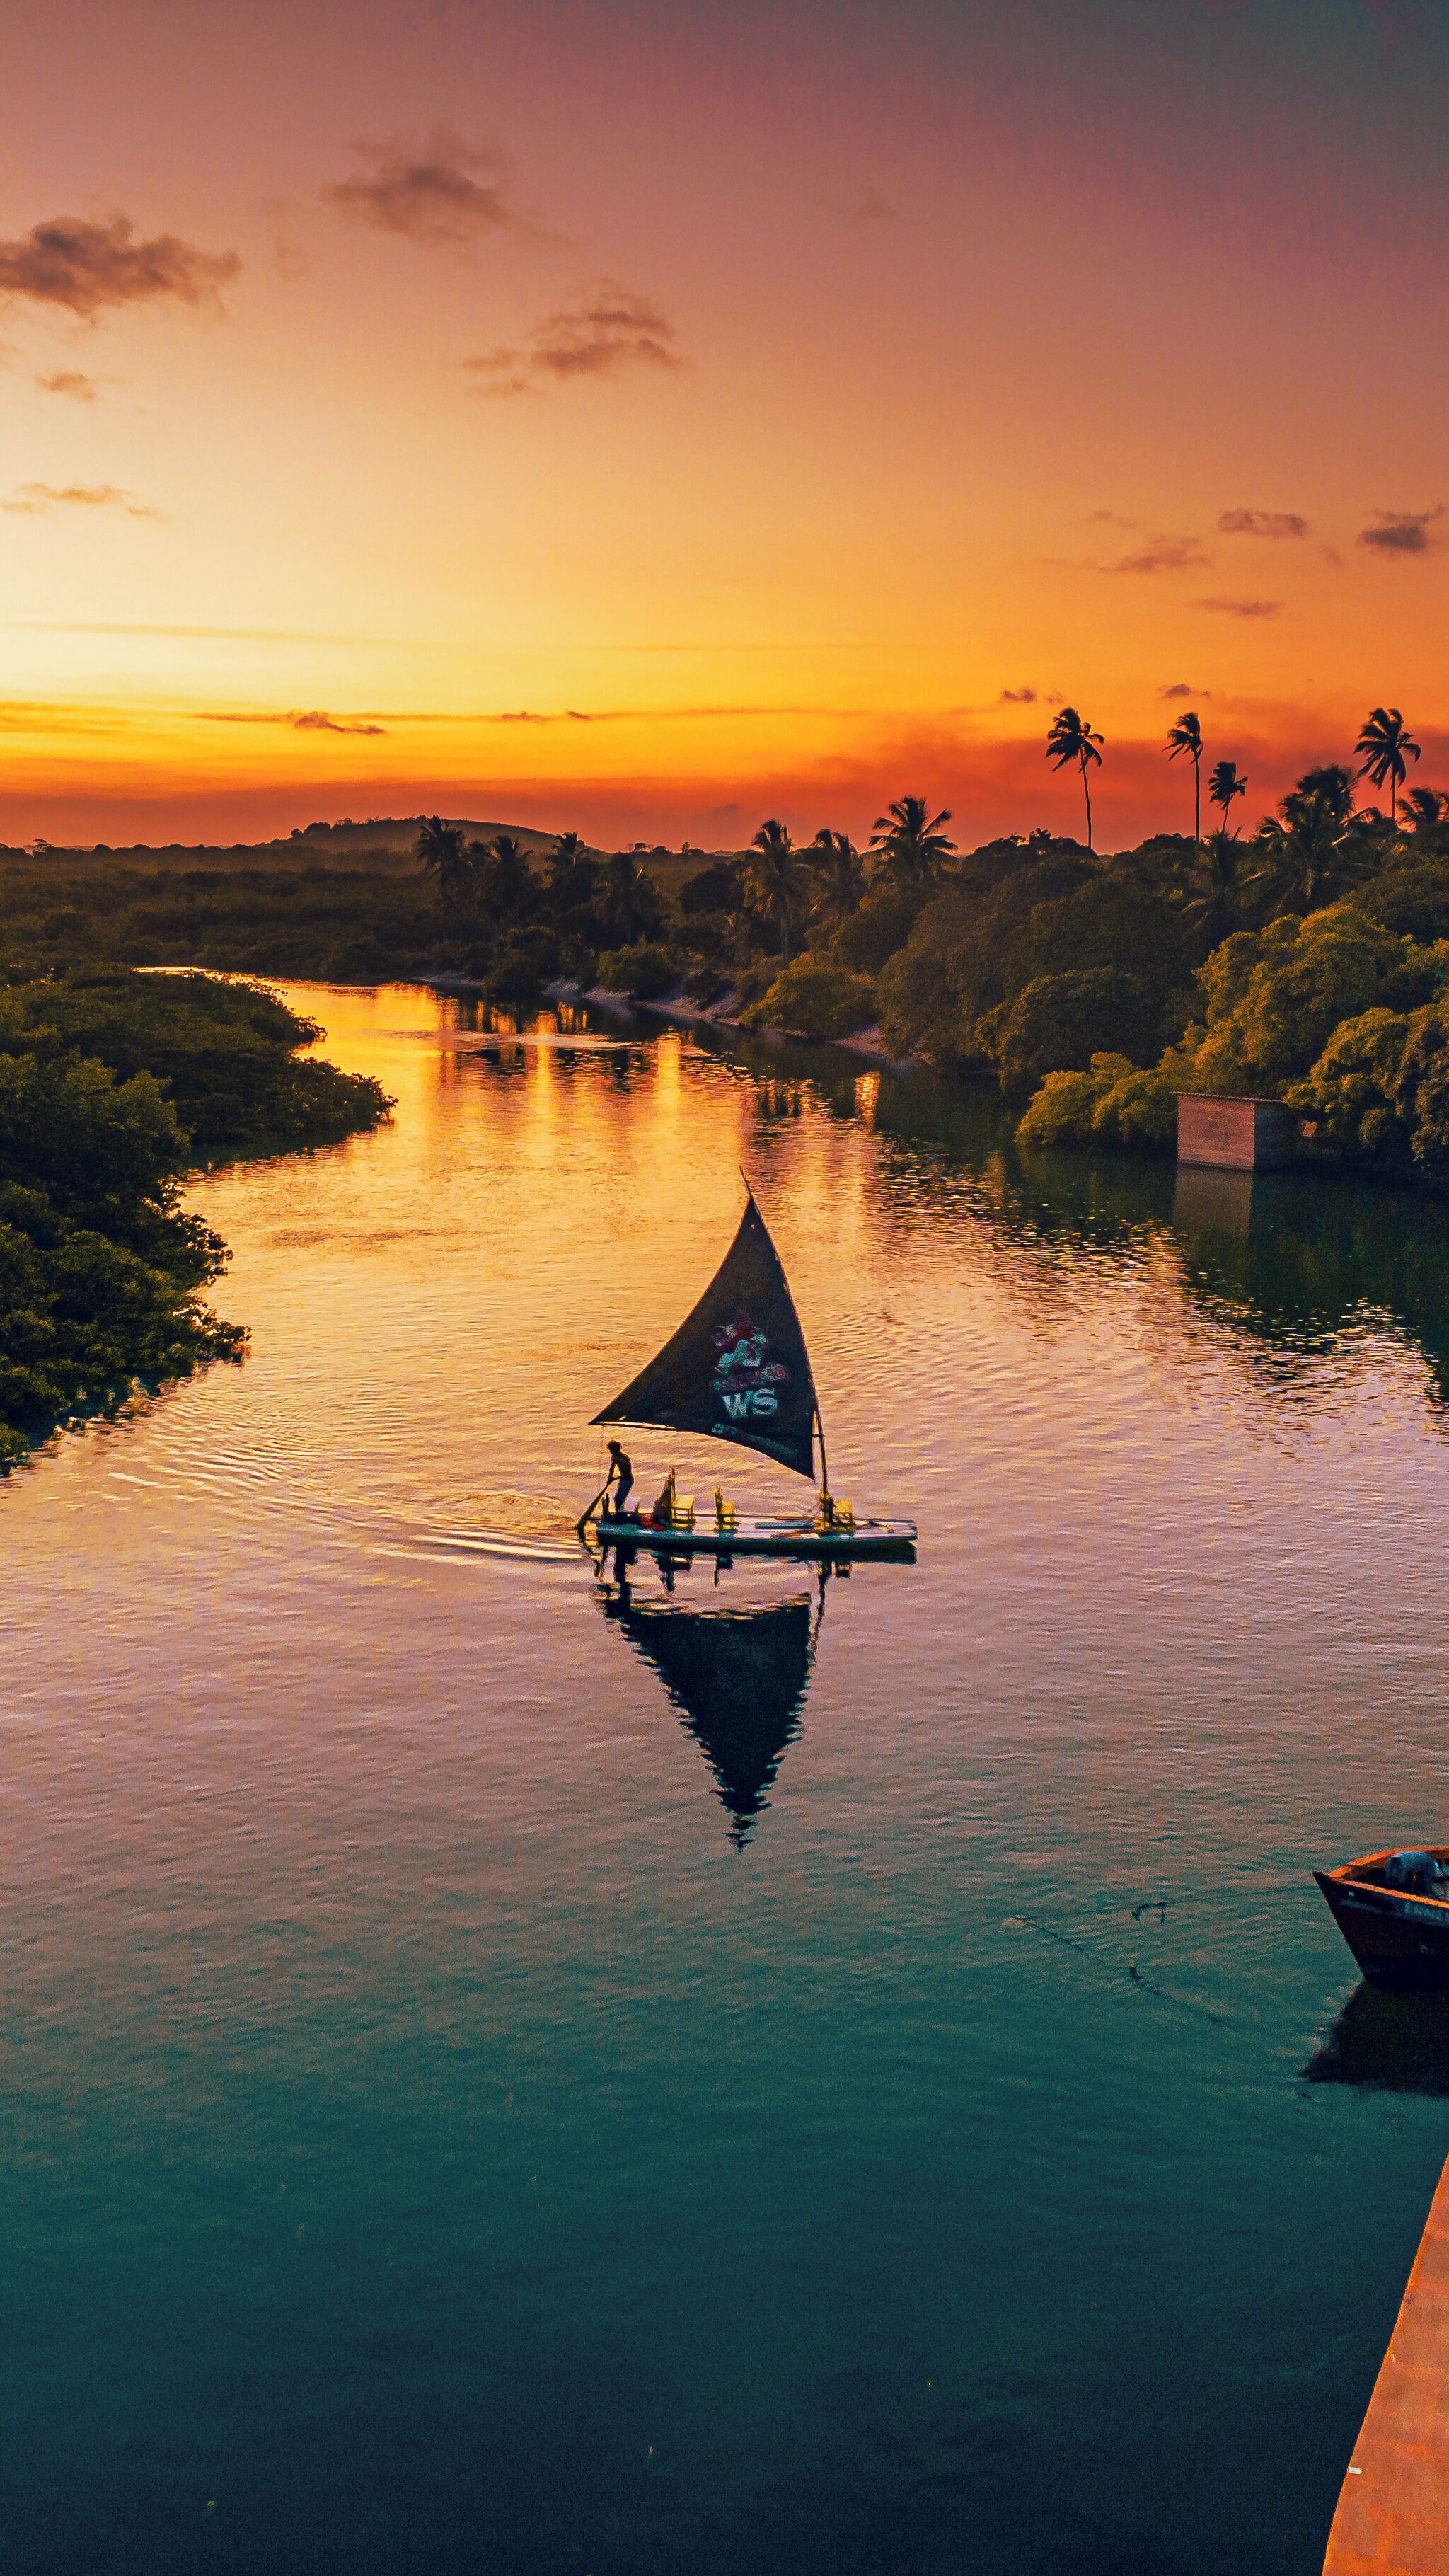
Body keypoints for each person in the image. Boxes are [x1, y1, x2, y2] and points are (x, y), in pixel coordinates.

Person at [602, 1439, 635, 1517]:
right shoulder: (614, 1456)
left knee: (619, 1500)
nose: (610, 1452)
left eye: (611, 1450)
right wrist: (609, 1478)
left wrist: (614, 1478)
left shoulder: (624, 1459)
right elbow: (612, 1468)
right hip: (623, 1480)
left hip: (628, 1480)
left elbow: (626, 1474)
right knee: (618, 1499)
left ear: (615, 1449)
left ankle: (619, 1515)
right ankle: (619, 1514)